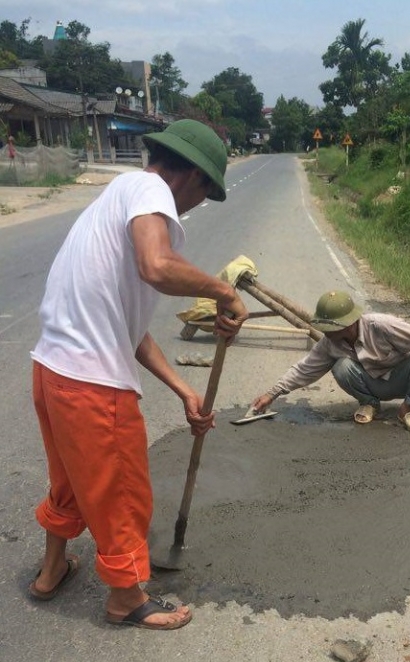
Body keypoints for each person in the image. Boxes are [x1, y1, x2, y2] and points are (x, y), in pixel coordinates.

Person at [29, 119, 248, 631]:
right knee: (122, 492)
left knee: (70, 481)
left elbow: (128, 330)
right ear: (191, 176)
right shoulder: (152, 191)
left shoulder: (118, 194)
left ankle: (52, 570)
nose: (195, 205)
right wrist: (224, 291)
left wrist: (182, 388)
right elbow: (158, 265)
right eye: (205, 192)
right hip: (92, 386)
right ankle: (126, 599)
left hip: (52, 371)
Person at [251, 290, 410, 433]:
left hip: (401, 379)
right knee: (340, 366)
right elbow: (304, 369)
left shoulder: (381, 325)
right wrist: (272, 394)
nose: (326, 333)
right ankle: (369, 404)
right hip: (370, 385)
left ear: (349, 324)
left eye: (330, 328)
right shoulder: (330, 342)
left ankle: (408, 408)